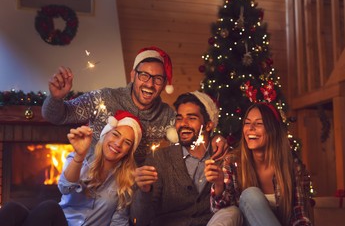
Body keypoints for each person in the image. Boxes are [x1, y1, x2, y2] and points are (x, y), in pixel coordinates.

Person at [205, 103, 345, 226]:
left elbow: (300, 212)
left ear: (273, 129)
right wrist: (219, 185)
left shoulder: (291, 165)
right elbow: (224, 216)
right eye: (247, 123)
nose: (251, 129)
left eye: (259, 124)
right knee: (250, 195)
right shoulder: (233, 162)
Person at [42, 46, 227, 165]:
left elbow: (191, 134)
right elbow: (57, 116)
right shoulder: (104, 98)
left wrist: (216, 138)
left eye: (157, 79)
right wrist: (55, 98)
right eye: (144, 75)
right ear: (133, 75)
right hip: (89, 180)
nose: (149, 84)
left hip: (127, 192)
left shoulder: (166, 116)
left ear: (163, 84)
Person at [0, 110, 142, 226]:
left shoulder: (126, 181)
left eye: (127, 143)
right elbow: (65, 187)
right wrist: (79, 156)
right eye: (115, 135)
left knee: (51, 208)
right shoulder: (81, 158)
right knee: (13, 209)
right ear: (106, 135)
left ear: (129, 151)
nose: (118, 143)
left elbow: (119, 222)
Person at [124, 91, 242, 226]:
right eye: (179, 118)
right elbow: (140, 220)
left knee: (232, 214)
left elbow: (232, 211)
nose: (183, 124)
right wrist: (144, 192)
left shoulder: (224, 159)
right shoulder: (160, 158)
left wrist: (220, 184)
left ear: (208, 125)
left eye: (191, 118)